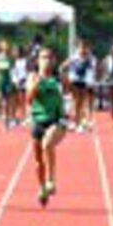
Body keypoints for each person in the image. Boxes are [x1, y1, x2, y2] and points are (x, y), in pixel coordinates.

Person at [26, 47, 66, 207]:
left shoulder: (58, 78)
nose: (47, 60)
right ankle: (42, 187)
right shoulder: (33, 77)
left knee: (47, 144)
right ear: (38, 61)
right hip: (37, 121)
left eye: (49, 57)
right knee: (38, 162)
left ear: (54, 60)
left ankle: (51, 180)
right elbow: (28, 99)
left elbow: (71, 91)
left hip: (56, 120)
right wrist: (35, 86)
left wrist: (65, 81)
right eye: (43, 57)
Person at [62, 39, 92, 132]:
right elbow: (63, 66)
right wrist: (66, 76)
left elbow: (90, 71)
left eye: (84, 47)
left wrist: (89, 82)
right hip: (74, 81)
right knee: (76, 101)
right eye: (81, 47)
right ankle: (74, 122)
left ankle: (77, 122)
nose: (83, 49)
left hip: (83, 81)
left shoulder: (88, 58)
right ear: (78, 48)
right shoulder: (74, 57)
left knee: (81, 103)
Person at [0, 40, 15, 128]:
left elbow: (12, 68)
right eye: (4, 46)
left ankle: (6, 119)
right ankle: (1, 114)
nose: (5, 47)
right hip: (0, 80)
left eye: (7, 46)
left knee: (7, 101)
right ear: (1, 47)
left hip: (8, 80)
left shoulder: (10, 57)